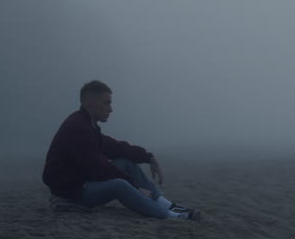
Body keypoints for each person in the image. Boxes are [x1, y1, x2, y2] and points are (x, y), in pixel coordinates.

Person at [42, 80, 200, 219]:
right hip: (72, 192)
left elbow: (114, 147)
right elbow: (99, 166)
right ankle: (173, 216)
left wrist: (147, 157)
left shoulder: (88, 125)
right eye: (106, 103)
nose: (110, 109)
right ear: (90, 103)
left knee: (125, 162)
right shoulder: (78, 127)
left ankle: (165, 204)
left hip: (82, 182)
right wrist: (136, 188)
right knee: (120, 185)